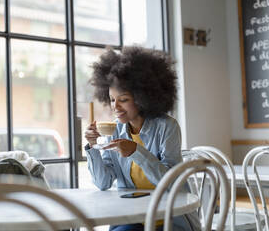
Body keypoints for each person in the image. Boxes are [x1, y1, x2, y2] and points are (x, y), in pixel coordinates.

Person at [84, 46, 200, 231]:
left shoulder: (166, 127)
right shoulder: (116, 130)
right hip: (132, 217)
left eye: (123, 99)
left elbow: (170, 182)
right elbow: (103, 183)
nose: (116, 107)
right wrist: (92, 147)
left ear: (142, 97)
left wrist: (136, 151)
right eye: (112, 100)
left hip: (169, 218)